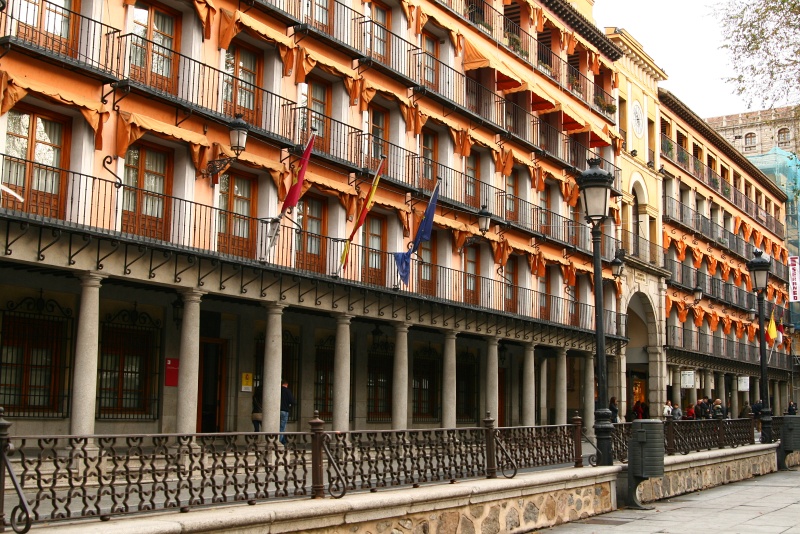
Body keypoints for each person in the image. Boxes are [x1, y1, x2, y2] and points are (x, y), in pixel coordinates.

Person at [279, 379, 295, 445]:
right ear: (286, 384)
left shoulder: (278, 390)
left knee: (276, 427)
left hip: (276, 411)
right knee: (282, 427)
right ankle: (278, 443)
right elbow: (292, 401)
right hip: (284, 410)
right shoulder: (287, 391)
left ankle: (283, 441)